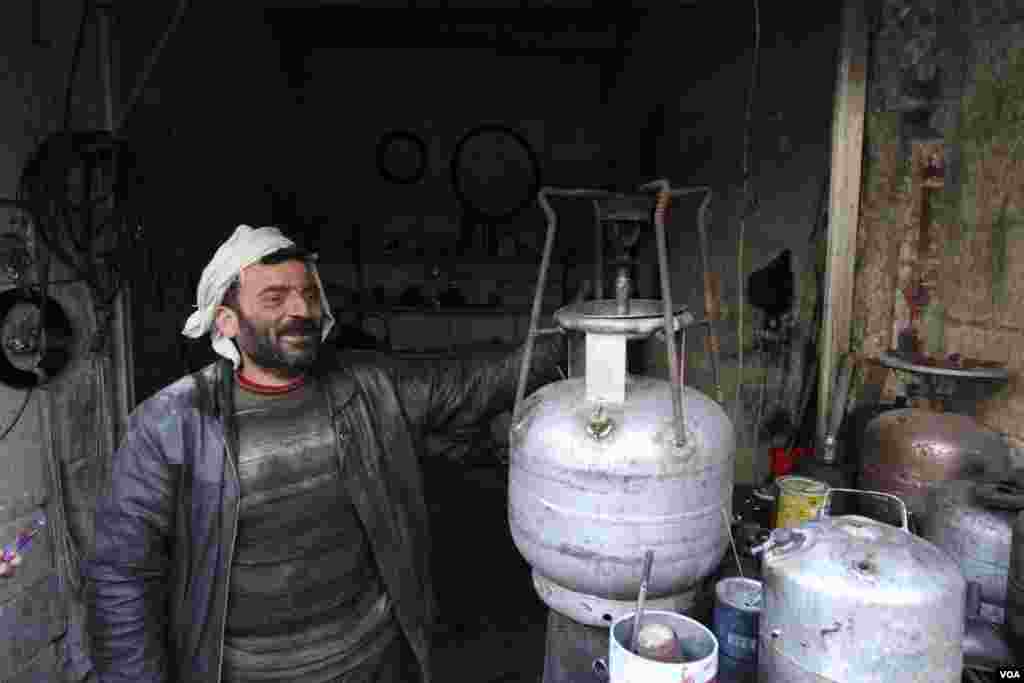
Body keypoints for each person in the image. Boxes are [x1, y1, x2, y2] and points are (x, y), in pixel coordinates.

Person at [78, 225, 565, 682]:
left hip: (370, 662)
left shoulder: (368, 385)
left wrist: (574, 335)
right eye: (275, 297)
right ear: (226, 321)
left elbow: (476, 387)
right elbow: (123, 579)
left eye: (309, 294)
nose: (302, 310)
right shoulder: (172, 423)